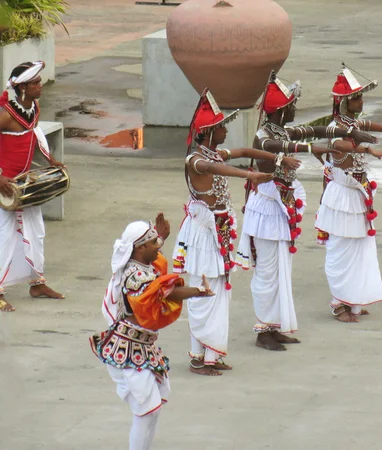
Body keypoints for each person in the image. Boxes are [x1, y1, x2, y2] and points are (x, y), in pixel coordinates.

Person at [236, 72, 376, 348]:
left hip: (281, 210)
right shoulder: (264, 137)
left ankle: (273, 325)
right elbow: (278, 147)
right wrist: (308, 147)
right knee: (267, 272)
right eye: (292, 105)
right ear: (281, 110)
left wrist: (349, 131)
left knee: (280, 271)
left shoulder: (281, 130)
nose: (296, 109)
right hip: (265, 211)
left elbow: (318, 129)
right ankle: (263, 330)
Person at [172, 88, 296, 374]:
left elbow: (244, 152)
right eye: (221, 127)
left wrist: (277, 160)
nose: (226, 131)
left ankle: (211, 355)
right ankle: (198, 357)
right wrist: (249, 175)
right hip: (204, 236)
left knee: (218, 293)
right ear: (208, 132)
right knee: (204, 291)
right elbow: (214, 167)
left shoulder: (213, 152)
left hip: (219, 232)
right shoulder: (195, 160)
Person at [90, 213, 213, 450]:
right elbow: (161, 291)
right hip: (128, 350)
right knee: (147, 411)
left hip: (141, 346)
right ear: (140, 247)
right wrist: (197, 291)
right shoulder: (134, 275)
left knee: (151, 412)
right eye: (154, 243)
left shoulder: (140, 263)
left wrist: (161, 237)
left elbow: (155, 268)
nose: (159, 247)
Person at [315, 63, 382, 322]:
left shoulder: (354, 122)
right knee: (340, 249)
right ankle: (338, 302)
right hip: (342, 196)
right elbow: (340, 142)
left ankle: (353, 298)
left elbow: (366, 125)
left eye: (360, 96)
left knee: (360, 248)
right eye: (356, 97)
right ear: (344, 102)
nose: (361, 100)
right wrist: (369, 150)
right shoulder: (335, 127)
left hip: (358, 195)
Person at [0, 61, 65, 312]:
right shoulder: (5, 113)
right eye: (36, 83)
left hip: (25, 184)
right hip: (6, 186)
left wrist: (50, 160)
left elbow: (35, 134)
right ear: (23, 88)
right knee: (5, 236)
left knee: (35, 231)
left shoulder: (33, 107)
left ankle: (37, 283)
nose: (41, 86)